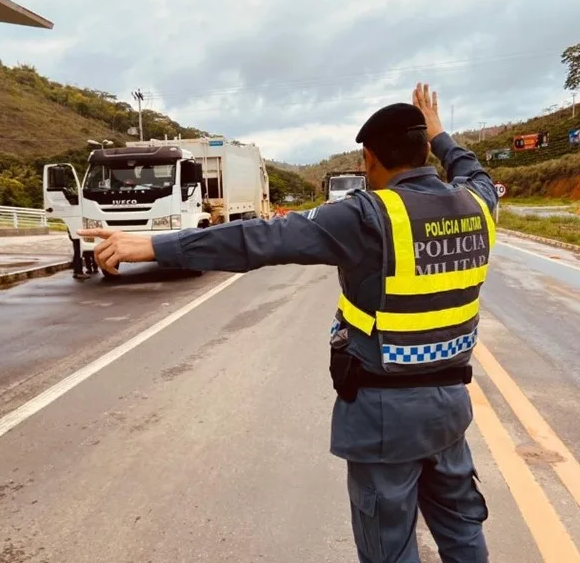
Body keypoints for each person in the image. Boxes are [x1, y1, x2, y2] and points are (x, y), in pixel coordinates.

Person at [79, 84, 497, 563]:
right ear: (426, 151)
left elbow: (261, 238)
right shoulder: (478, 204)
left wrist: (154, 246)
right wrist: (442, 135)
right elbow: (473, 170)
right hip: (450, 409)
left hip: (385, 414)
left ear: (368, 159)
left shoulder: (369, 215)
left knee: (390, 545)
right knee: (462, 528)